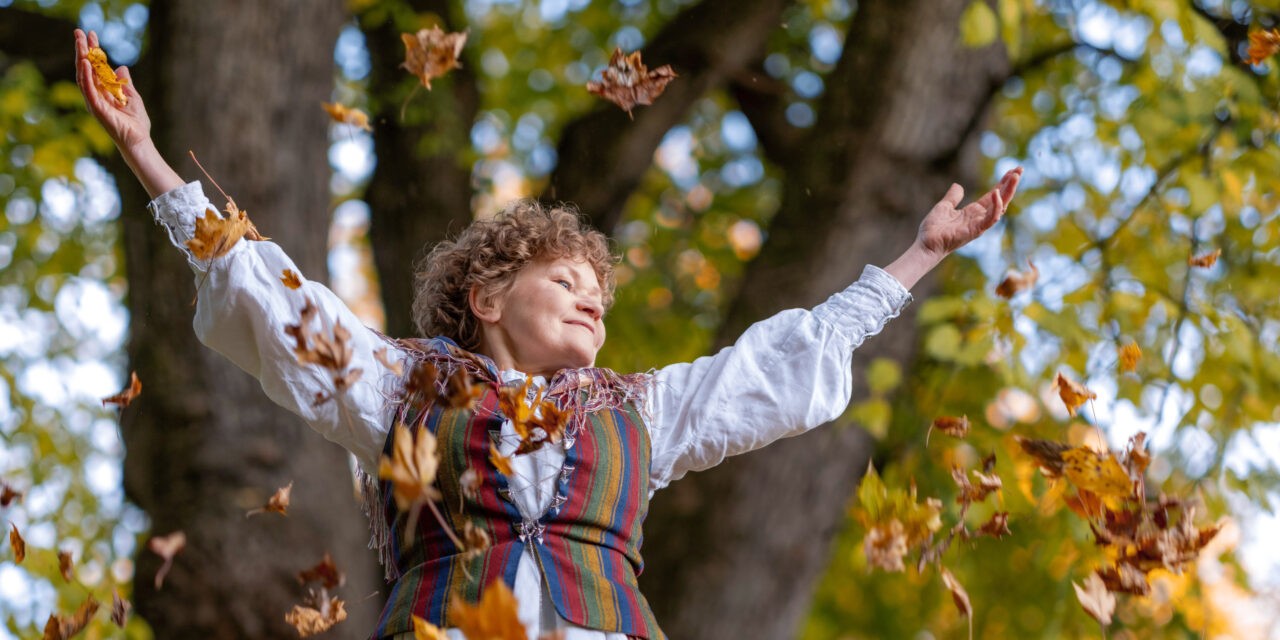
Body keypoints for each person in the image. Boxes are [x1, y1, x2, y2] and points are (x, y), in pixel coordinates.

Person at [75, 27, 1021, 640]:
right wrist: (151, 157)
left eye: (599, 296)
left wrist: (917, 258)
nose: (591, 303)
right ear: (487, 298)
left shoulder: (641, 415)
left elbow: (779, 362)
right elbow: (277, 303)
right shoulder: (401, 389)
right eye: (563, 280)